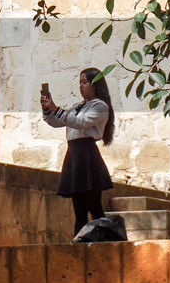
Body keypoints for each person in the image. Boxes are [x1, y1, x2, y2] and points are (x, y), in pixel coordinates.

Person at [41, 67, 116, 236]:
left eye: (84, 82)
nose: (81, 86)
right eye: (80, 83)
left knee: (95, 208)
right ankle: (78, 245)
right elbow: (57, 121)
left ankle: (106, 242)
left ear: (95, 85)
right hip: (74, 156)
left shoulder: (100, 106)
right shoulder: (78, 106)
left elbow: (79, 122)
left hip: (87, 156)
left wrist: (55, 107)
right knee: (79, 212)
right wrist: (47, 108)